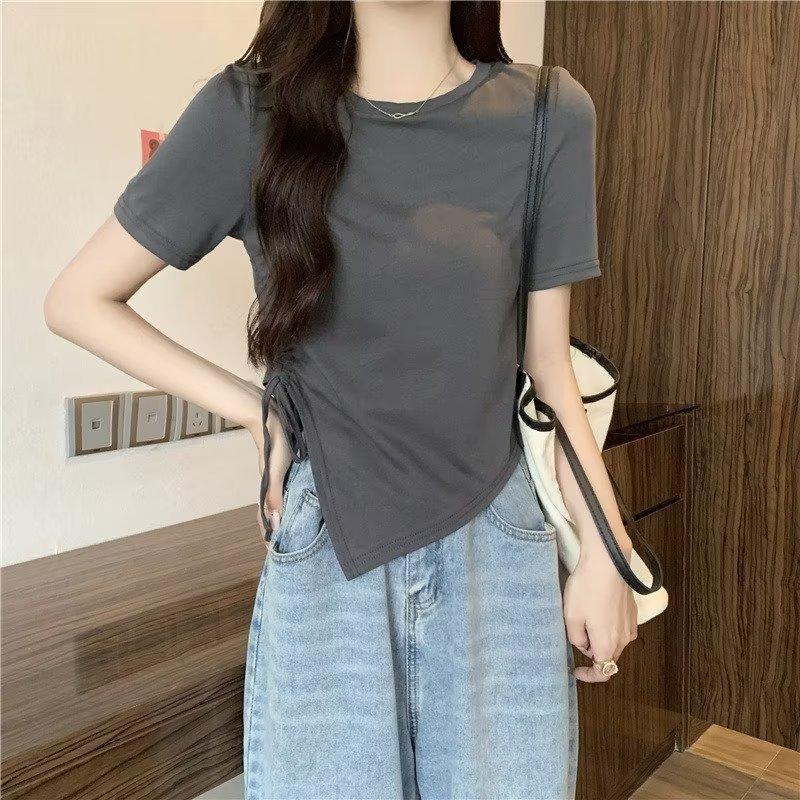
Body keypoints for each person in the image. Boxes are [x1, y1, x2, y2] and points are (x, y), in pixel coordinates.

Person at [44, 2, 638, 798]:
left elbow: (549, 368)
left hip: (498, 550)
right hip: (330, 549)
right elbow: (79, 300)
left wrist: (606, 551)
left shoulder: (546, 114)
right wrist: (254, 411)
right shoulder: (248, 113)